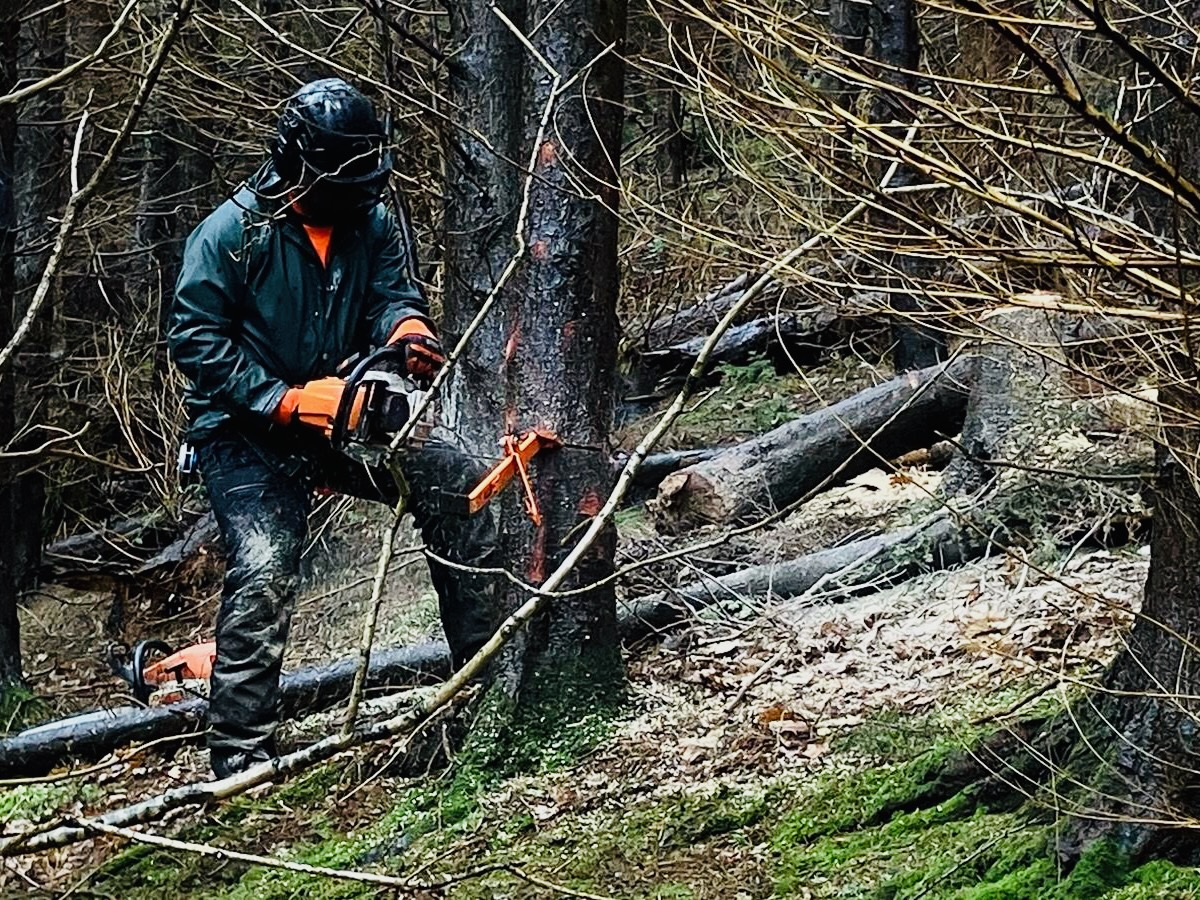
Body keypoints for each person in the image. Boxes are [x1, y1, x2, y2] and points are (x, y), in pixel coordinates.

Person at [167, 77, 499, 778]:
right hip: (242, 431)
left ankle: (487, 693)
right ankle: (240, 761)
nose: (357, 187)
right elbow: (195, 340)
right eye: (344, 173)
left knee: (458, 486)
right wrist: (283, 399)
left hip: (346, 410)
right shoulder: (232, 233)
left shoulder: (370, 221)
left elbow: (391, 293)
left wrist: (404, 328)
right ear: (303, 164)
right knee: (265, 563)